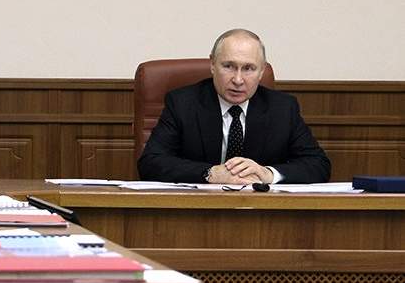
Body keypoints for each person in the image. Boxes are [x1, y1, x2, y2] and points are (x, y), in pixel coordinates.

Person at [137, 29, 331, 184]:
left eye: (248, 68)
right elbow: (150, 163)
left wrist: (268, 174)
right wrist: (210, 173)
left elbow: (318, 165)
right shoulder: (183, 103)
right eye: (228, 66)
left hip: (261, 213)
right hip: (198, 209)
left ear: (261, 71)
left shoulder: (283, 108)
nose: (238, 80)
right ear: (213, 64)